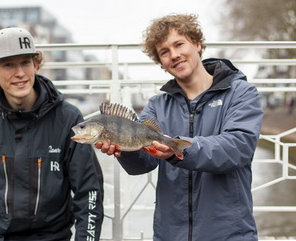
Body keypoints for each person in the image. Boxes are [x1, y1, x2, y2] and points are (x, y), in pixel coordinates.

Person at [96, 14, 263, 240]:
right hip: (170, 234)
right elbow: (143, 164)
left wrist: (179, 150)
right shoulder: (157, 105)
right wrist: (122, 148)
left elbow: (238, 148)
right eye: (164, 52)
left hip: (228, 233)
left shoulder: (241, 93)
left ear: (197, 44)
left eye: (179, 44)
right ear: (161, 62)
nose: (174, 55)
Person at [0, 27, 104, 240]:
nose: (20, 73)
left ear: (35, 65)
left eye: (25, 62)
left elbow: (89, 193)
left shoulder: (68, 119)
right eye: (8, 65)